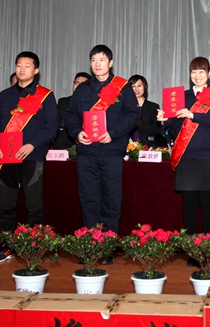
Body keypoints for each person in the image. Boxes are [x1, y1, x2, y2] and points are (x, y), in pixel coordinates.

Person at [65, 44, 140, 263]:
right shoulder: (82, 89)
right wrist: (77, 132)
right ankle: (90, 246)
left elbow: (133, 115)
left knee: (111, 199)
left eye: (102, 60)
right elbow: (70, 115)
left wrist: (113, 133)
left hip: (111, 151)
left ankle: (107, 247)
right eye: (93, 60)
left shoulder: (123, 87)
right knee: (88, 198)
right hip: (87, 151)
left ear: (111, 62)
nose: (97, 64)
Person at [0, 51, 58, 263]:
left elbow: (51, 126)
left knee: (34, 204)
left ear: (36, 70)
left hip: (32, 156)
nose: (22, 69)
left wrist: (32, 144)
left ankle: (35, 246)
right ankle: (7, 246)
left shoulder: (45, 96)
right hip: (6, 157)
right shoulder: (5, 96)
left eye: (27, 66)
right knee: (6, 204)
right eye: (19, 65)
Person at [158, 57, 210, 265]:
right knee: (188, 204)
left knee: (207, 203)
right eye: (193, 72)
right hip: (186, 156)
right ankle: (192, 250)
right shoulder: (182, 96)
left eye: (201, 71)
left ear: (209, 73)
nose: (197, 76)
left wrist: (193, 115)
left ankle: (206, 248)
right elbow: (175, 125)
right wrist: (165, 119)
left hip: (207, 156)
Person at [52, 71, 91, 149]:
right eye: (76, 83)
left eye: (83, 83)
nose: (79, 86)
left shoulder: (94, 104)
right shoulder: (63, 102)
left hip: (86, 144)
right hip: (64, 144)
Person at [128, 74, 166, 147]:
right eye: (133, 86)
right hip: (127, 146)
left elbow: (156, 130)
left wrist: (139, 124)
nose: (136, 89)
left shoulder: (153, 107)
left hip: (147, 147)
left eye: (139, 86)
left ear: (145, 87)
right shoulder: (125, 107)